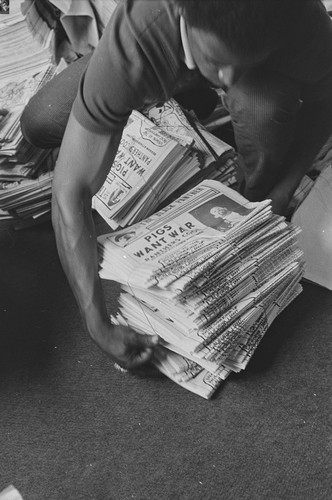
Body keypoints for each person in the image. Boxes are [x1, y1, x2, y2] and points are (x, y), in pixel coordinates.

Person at [20, 0, 332, 370]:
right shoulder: (139, 34)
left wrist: (282, 188)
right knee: (40, 122)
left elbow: (323, 101)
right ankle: (171, 99)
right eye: (216, 59)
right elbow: (71, 191)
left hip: (248, 77)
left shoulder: (298, 16)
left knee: (262, 105)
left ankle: (251, 172)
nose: (227, 77)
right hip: (160, 52)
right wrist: (96, 323)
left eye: (242, 61)